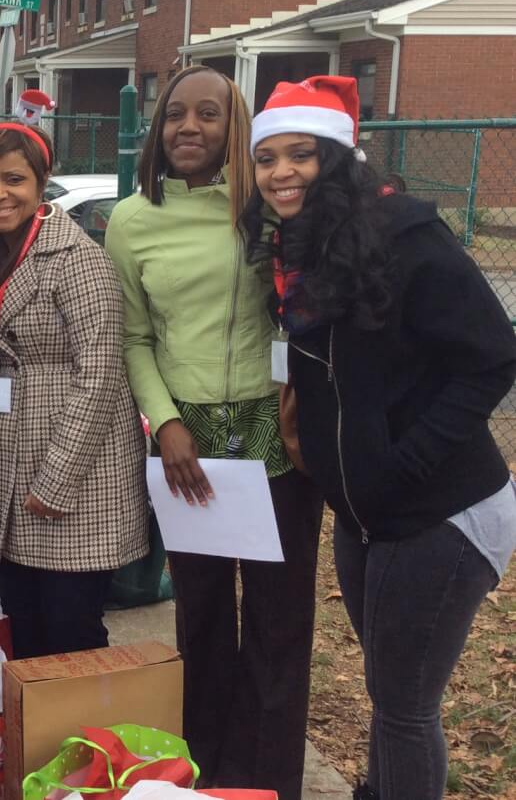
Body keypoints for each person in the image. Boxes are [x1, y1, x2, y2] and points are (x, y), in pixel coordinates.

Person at [242, 76, 516, 800]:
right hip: (365, 512)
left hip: (440, 510)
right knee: (391, 690)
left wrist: (405, 462)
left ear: (336, 157)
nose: (280, 172)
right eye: (266, 158)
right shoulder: (298, 253)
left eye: (300, 154)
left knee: (404, 705)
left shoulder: (407, 238)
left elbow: (493, 356)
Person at [104, 65, 323, 800]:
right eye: (175, 114)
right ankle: (204, 774)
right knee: (200, 617)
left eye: (208, 113)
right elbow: (134, 336)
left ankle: (269, 783)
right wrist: (164, 422)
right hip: (186, 442)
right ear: (157, 128)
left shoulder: (268, 208)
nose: (189, 126)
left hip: (274, 432)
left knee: (278, 621)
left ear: (236, 127)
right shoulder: (132, 220)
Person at [0, 121, 148, 658]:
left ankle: (89, 716)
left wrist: (56, 481)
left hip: (75, 474)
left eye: (13, 179)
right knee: (24, 622)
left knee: (72, 627)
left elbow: (100, 375)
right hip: (10, 459)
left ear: (42, 182)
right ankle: (34, 715)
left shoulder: (78, 259)